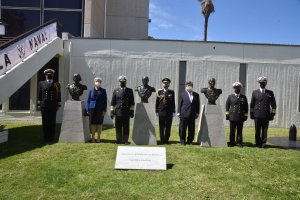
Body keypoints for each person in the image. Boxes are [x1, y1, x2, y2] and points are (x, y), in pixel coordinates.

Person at [250, 76, 276, 148]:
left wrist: (272, 114)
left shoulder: (270, 93)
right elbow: (252, 104)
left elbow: (273, 104)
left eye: (264, 83)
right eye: (261, 83)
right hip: (257, 114)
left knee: (265, 130)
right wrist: (252, 114)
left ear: (266, 83)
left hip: (266, 114)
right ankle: (258, 143)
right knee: (257, 130)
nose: (263, 84)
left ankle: (264, 143)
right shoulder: (255, 92)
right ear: (259, 83)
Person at [38, 69, 61, 142]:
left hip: (53, 105)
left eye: (50, 75)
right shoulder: (41, 83)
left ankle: (51, 137)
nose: (49, 76)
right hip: (44, 105)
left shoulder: (57, 84)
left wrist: (58, 104)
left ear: (53, 75)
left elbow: (59, 95)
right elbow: (40, 94)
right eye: (48, 75)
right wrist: (39, 104)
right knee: (45, 121)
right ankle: (45, 137)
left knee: (52, 121)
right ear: (45, 76)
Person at [110, 75, 135, 144]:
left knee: (126, 127)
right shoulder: (116, 90)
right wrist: (112, 111)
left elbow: (132, 102)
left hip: (126, 112)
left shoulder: (130, 91)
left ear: (126, 82)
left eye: (124, 82)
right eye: (121, 82)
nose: (122, 83)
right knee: (118, 127)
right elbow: (112, 102)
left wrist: (132, 111)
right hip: (118, 112)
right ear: (119, 82)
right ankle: (118, 140)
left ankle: (125, 140)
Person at [225, 82, 248, 147]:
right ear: (234, 89)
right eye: (236, 88)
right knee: (232, 130)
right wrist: (227, 114)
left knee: (239, 130)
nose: (237, 89)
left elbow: (246, 107)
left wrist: (245, 115)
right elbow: (227, 105)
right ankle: (232, 142)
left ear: (240, 88)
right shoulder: (230, 96)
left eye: (238, 88)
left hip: (240, 116)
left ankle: (239, 142)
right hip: (232, 115)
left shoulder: (243, 97)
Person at [86, 77, 107, 143]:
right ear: (94, 82)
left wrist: (104, 110)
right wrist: (87, 109)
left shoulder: (103, 90)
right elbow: (88, 101)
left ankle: (98, 138)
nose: (98, 82)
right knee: (92, 124)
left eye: (99, 81)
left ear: (100, 83)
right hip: (91, 109)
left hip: (100, 109)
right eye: (96, 81)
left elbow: (105, 101)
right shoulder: (91, 90)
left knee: (99, 124)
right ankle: (93, 138)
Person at [155, 78, 175, 144]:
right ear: (162, 84)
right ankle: (162, 140)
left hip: (169, 112)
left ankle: (166, 140)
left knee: (168, 127)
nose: (165, 84)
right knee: (161, 127)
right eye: (164, 83)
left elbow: (173, 102)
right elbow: (157, 102)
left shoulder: (171, 92)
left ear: (169, 84)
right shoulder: (159, 92)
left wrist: (174, 111)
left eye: (167, 83)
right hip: (161, 112)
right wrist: (156, 111)